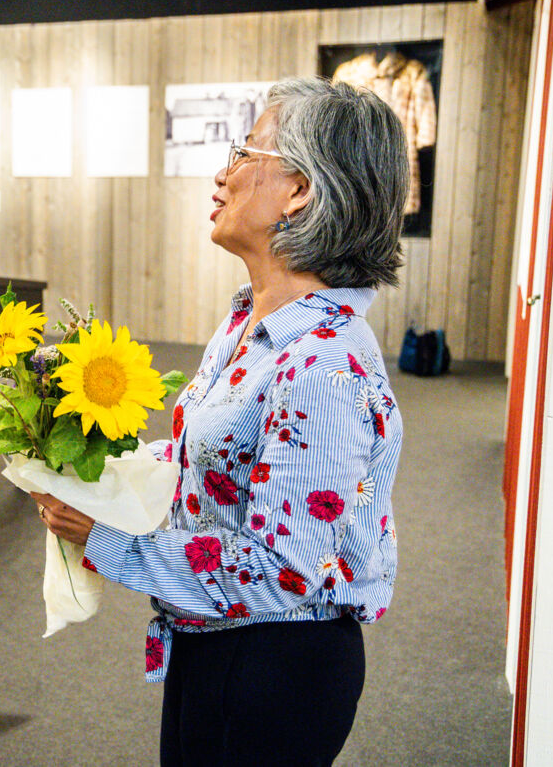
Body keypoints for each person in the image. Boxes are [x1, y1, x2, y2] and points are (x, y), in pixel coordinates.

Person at [33, 77, 406, 766]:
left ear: (299, 191)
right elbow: (213, 465)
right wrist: (98, 472)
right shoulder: (252, 318)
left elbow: (281, 571)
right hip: (217, 638)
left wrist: (108, 536)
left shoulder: (323, 366)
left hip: (273, 667)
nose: (221, 172)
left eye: (244, 150)